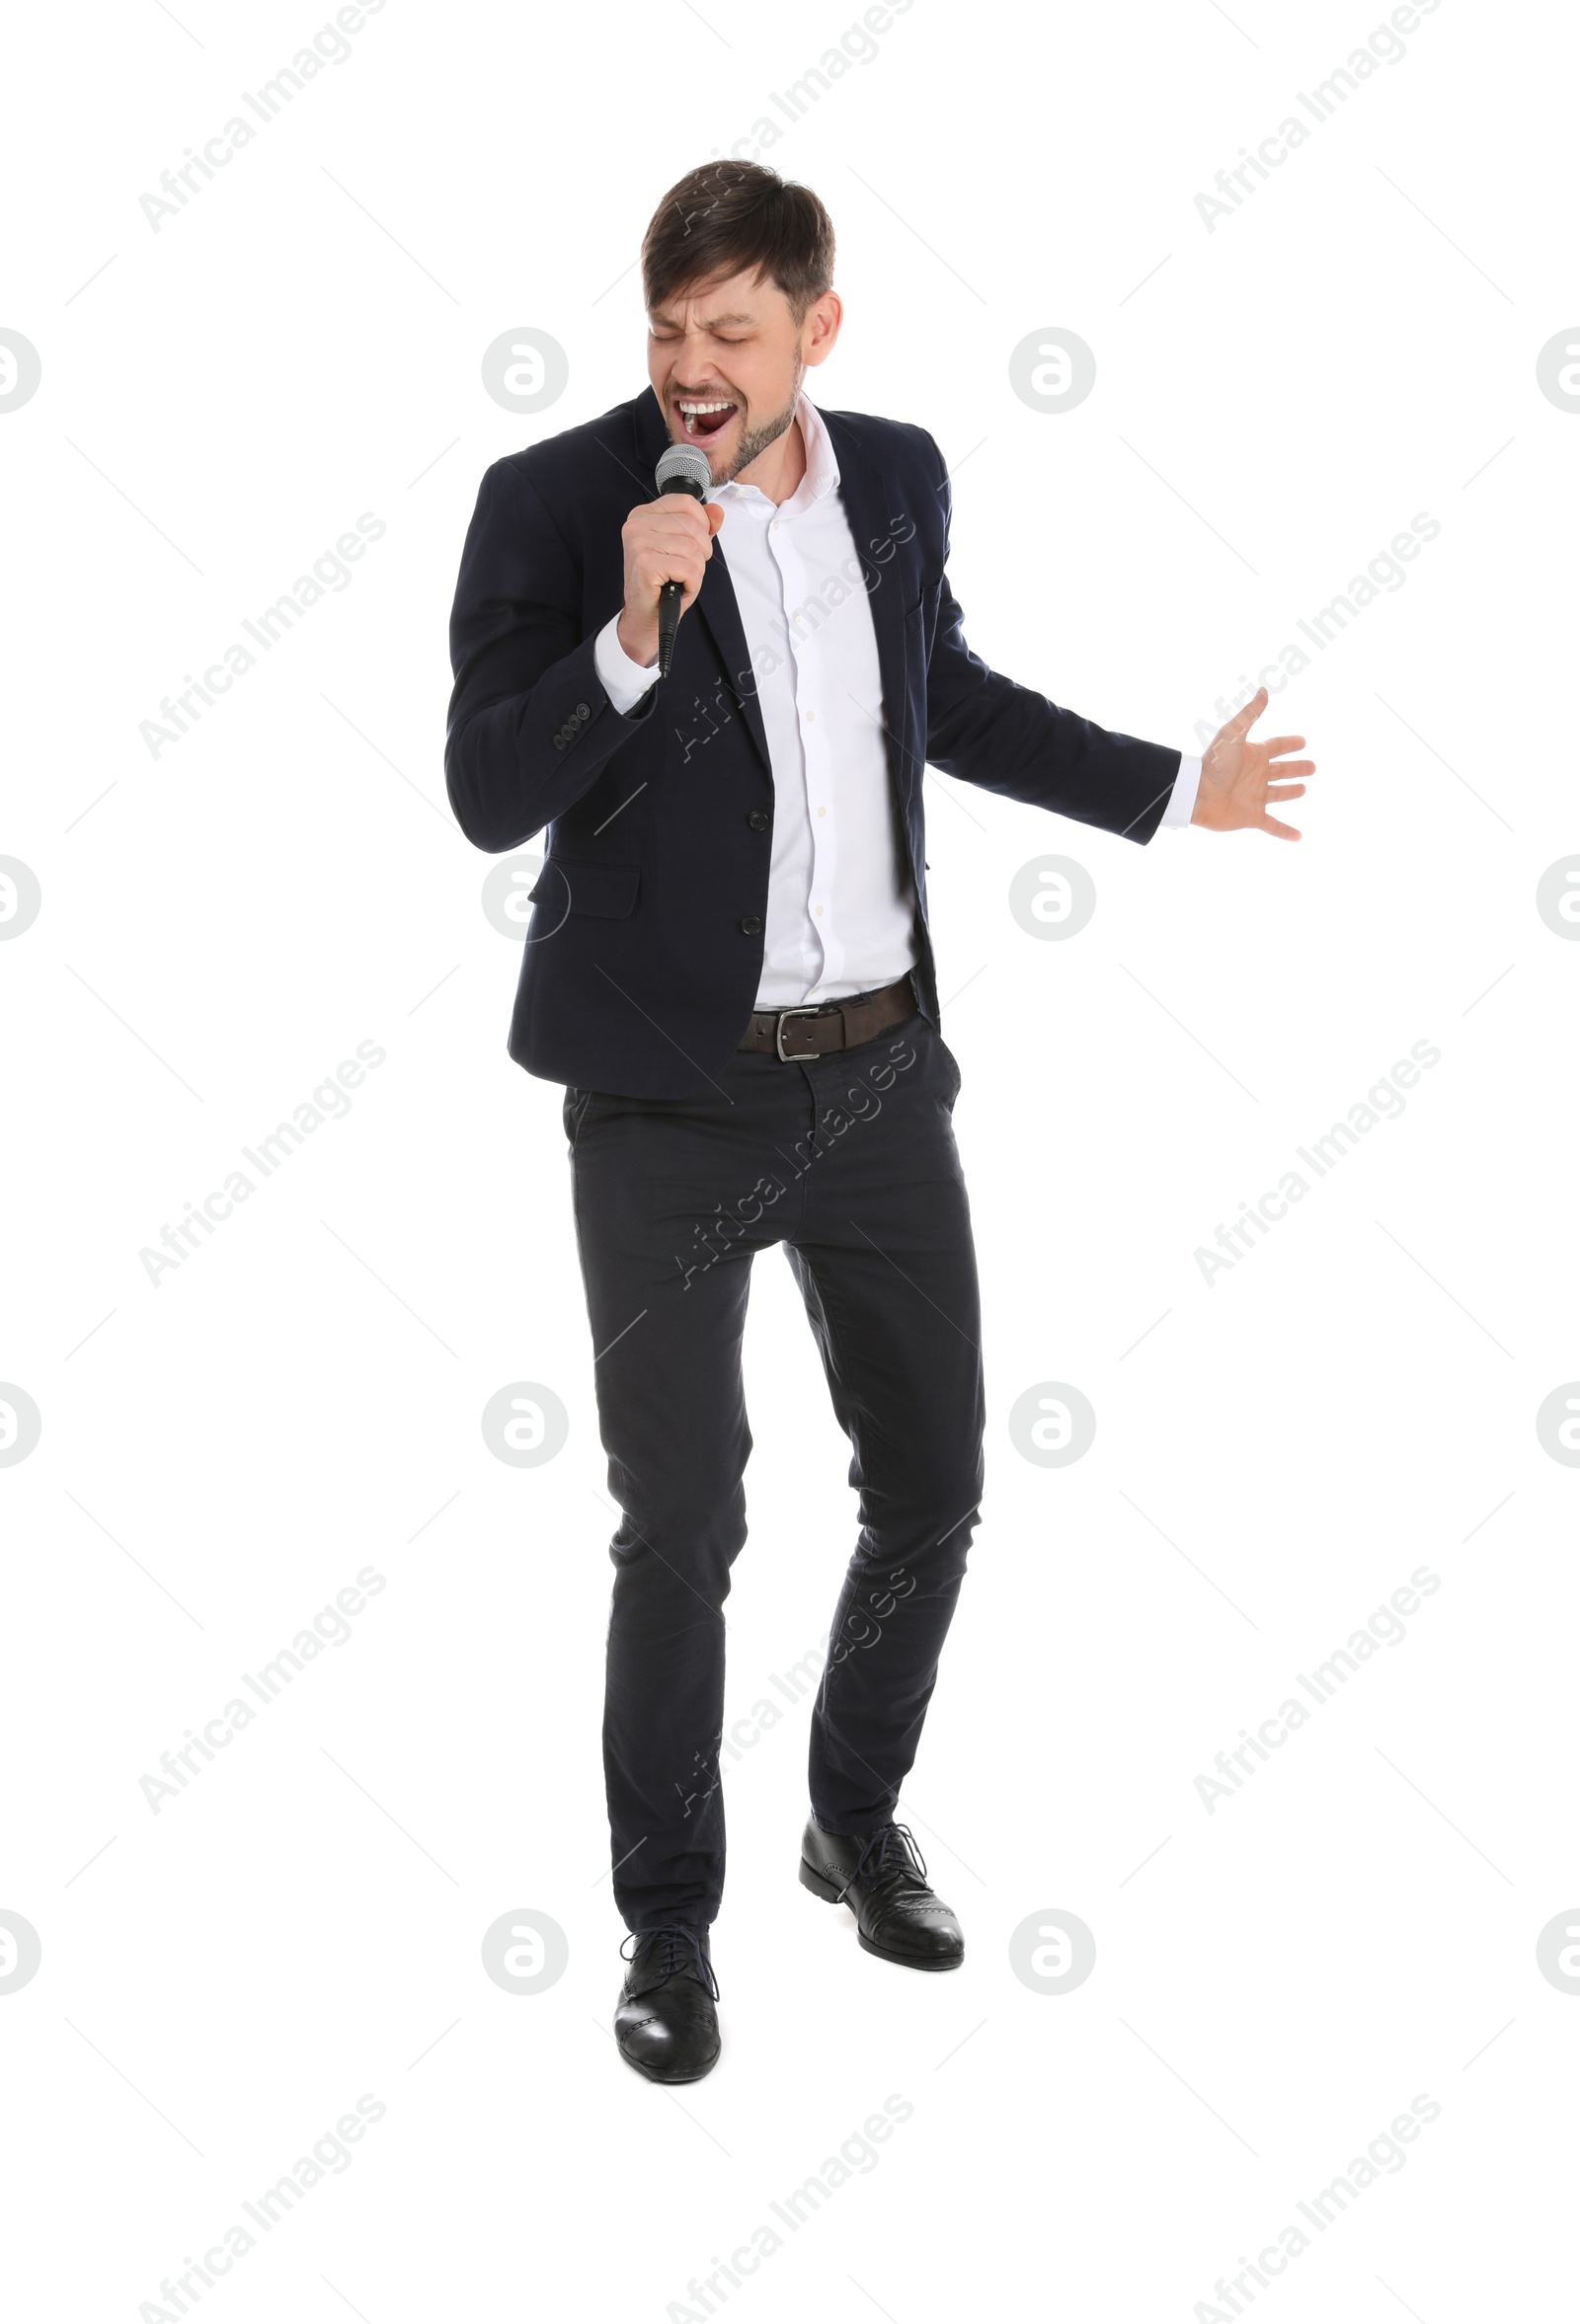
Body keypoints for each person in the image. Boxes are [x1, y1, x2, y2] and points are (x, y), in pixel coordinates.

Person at [444, 160, 1313, 2083]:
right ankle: (670, 1928)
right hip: (660, 1099)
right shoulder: (557, 506)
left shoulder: (896, 480)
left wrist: (1175, 790)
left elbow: (948, 700)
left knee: (932, 1476)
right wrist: (630, 634)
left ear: (813, 333)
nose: (690, 368)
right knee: (680, 1524)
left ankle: (852, 1806)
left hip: (874, 1073)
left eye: (730, 334)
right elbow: (484, 793)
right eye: (666, 331)